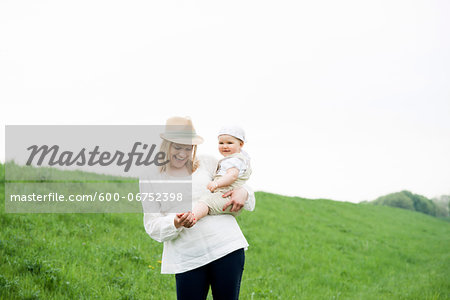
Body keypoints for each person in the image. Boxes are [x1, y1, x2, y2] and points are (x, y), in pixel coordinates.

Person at [140, 117, 255, 300]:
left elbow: (234, 179)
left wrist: (244, 192)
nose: (183, 153)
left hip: (226, 246)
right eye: (178, 146)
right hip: (188, 256)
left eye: (189, 147)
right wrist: (175, 222)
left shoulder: (207, 163)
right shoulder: (151, 177)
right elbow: (152, 225)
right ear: (166, 144)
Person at [191, 125, 251, 222]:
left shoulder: (234, 160)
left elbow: (232, 175)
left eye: (229, 143)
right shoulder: (229, 160)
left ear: (241, 144)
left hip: (227, 196)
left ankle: (192, 218)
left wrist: (216, 183)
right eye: (221, 143)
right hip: (224, 196)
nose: (225, 146)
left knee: (206, 202)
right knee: (206, 202)